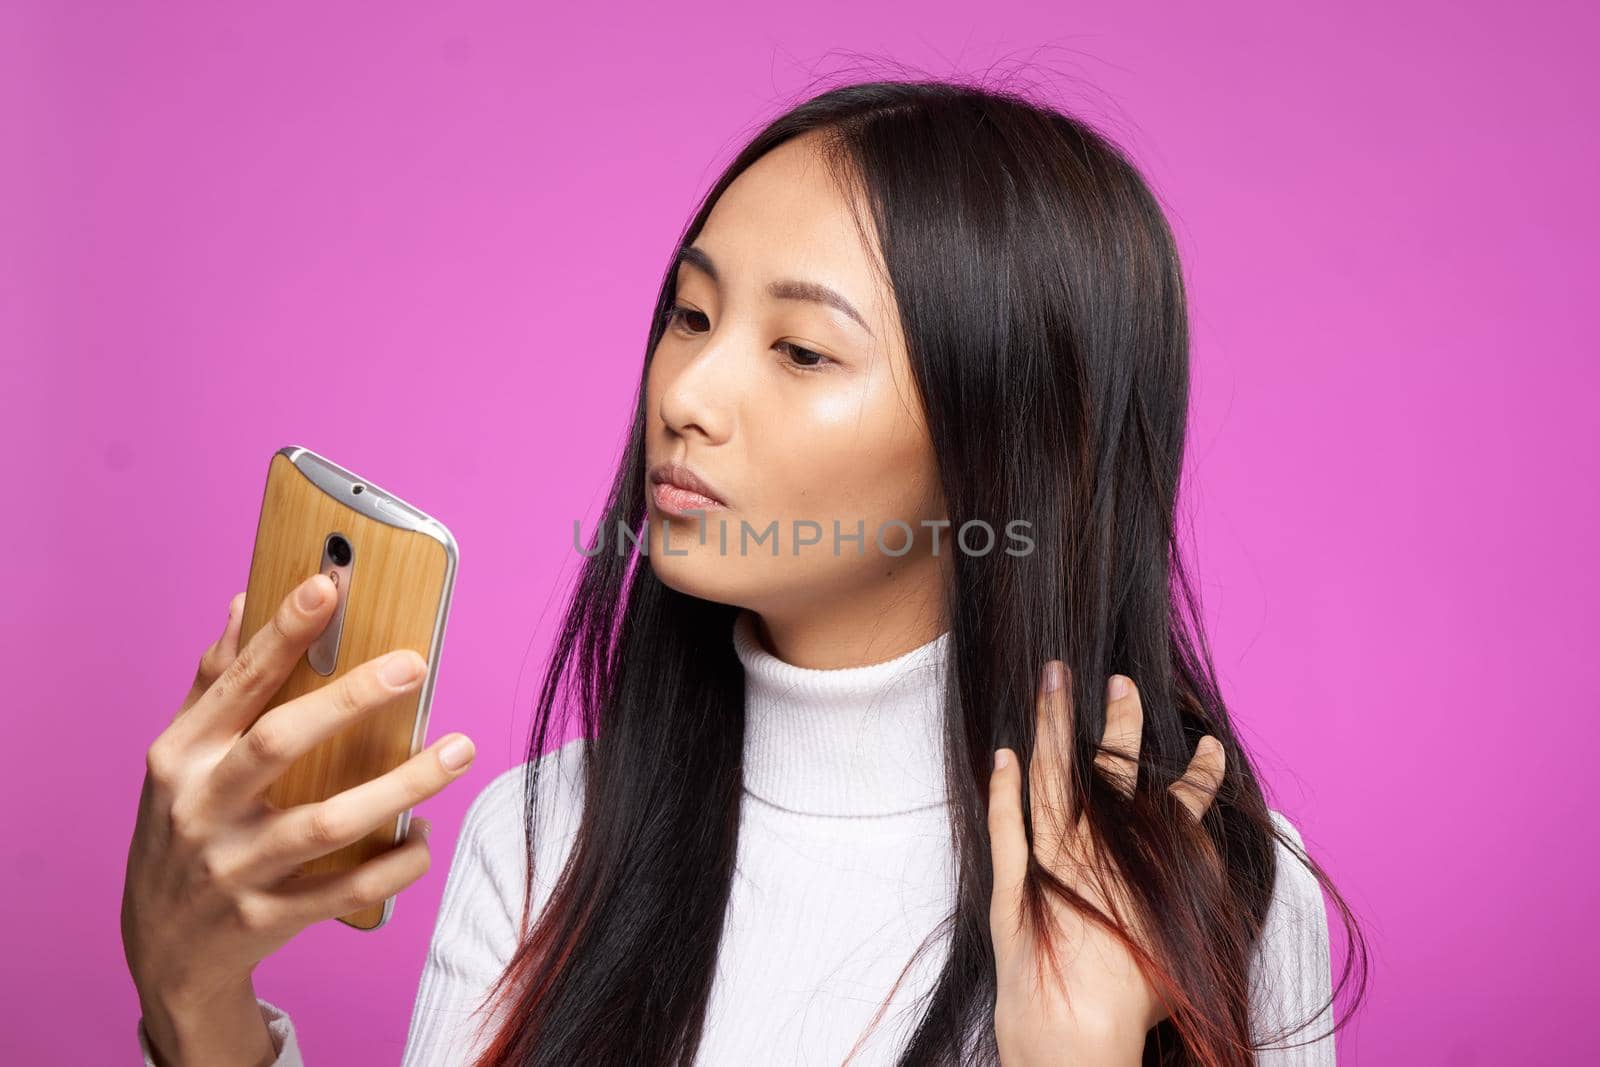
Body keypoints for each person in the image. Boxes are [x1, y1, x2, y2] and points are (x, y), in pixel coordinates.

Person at [123, 77, 1366, 1066]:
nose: (687, 393)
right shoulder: (552, 837)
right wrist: (194, 1000)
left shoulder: (1213, 885)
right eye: (691, 314)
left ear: (1006, 443)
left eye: (802, 350)